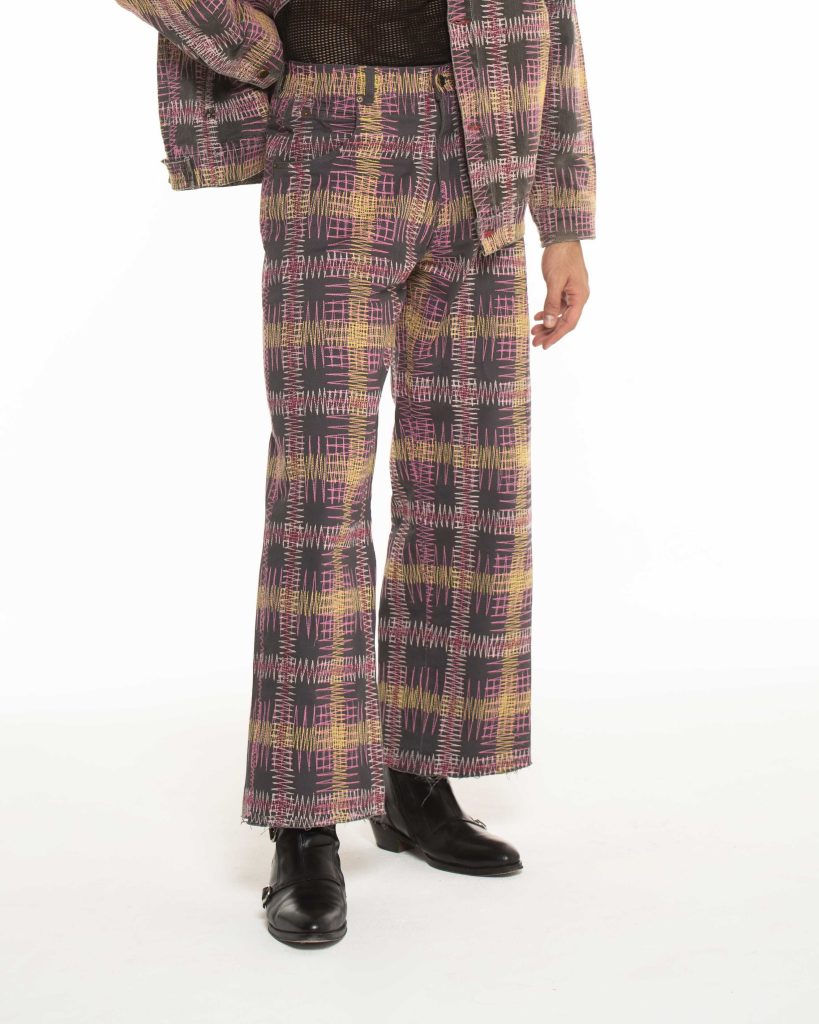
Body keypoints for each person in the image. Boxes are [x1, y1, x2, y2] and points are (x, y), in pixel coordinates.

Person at [114, 0, 596, 947]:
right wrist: (256, 49)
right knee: (320, 498)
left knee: (472, 489)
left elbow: (556, 20)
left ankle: (414, 776)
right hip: (336, 133)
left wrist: (564, 219)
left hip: (486, 151)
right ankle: (304, 822)